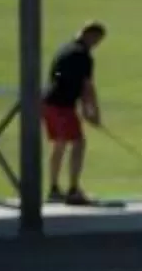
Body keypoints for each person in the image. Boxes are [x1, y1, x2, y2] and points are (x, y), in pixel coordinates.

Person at [42, 22, 105, 207]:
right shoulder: (83, 56)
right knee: (78, 143)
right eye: (97, 39)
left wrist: (86, 111)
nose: (96, 44)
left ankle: (54, 189)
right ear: (89, 35)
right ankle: (73, 190)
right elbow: (87, 87)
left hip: (48, 102)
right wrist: (93, 113)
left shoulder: (65, 49)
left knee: (59, 144)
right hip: (62, 105)